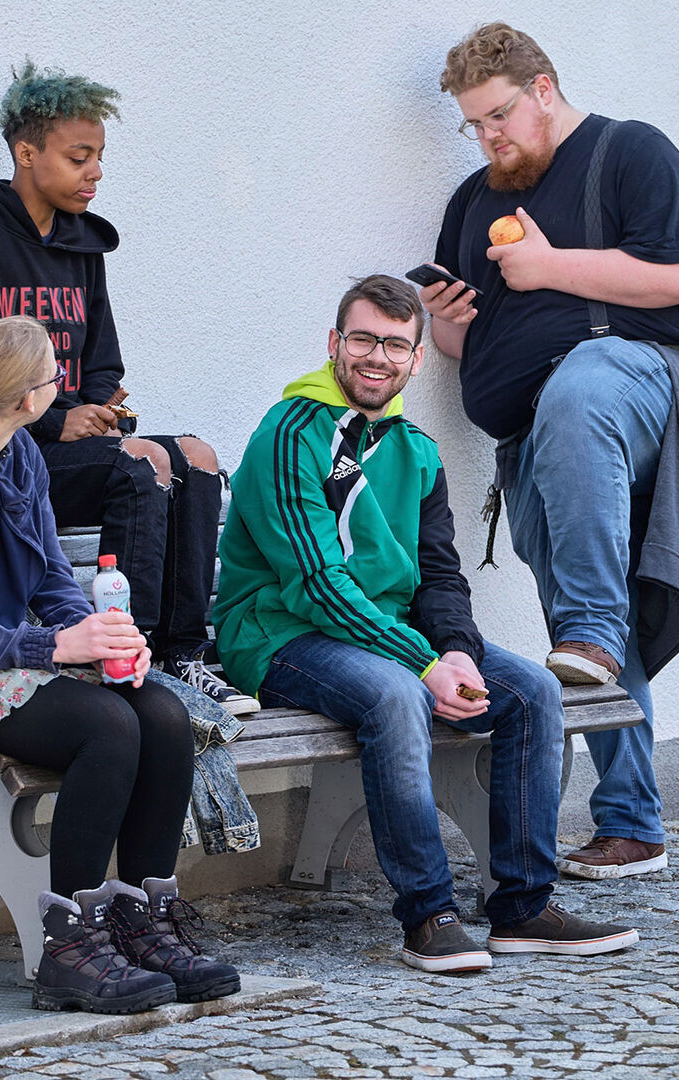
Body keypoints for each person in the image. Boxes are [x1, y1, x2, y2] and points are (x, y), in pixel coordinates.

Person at [213, 275, 639, 973]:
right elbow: (318, 585)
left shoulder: (415, 449)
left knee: (532, 689)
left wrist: (457, 652)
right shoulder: (291, 433)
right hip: (280, 635)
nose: (375, 357)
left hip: (389, 637)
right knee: (396, 694)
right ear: (335, 344)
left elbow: (440, 574)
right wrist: (423, 663)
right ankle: (427, 916)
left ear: (415, 358)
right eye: (362, 340)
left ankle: (524, 907)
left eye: (393, 344)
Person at [0, 316, 239, 1013]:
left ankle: (144, 922)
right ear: (29, 398)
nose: (61, 387)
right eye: (54, 378)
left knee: (161, 709)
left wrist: (102, 635)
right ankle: (70, 945)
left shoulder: (19, 457)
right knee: (105, 725)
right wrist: (55, 647)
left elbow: (50, 580)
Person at [422, 23, 679, 881]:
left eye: (498, 117)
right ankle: (632, 823)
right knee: (578, 599)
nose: (489, 138)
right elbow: (474, 346)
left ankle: (597, 630)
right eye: (473, 125)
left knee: (585, 378)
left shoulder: (632, 152)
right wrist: (449, 330)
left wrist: (553, 266)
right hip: (537, 428)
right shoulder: (473, 203)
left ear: (544, 90)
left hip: (658, 379)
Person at [0, 60, 257, 717]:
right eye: (79, 157)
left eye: (99, 156)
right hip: (4, 459)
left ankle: (183, 657)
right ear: (26, 152)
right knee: (141, 464)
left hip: (74, 449)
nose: (95, 171)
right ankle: (129, 660)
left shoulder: (82, 248)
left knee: (197, 456)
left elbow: (103, 358)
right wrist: (52, 422)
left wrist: (96, 406)